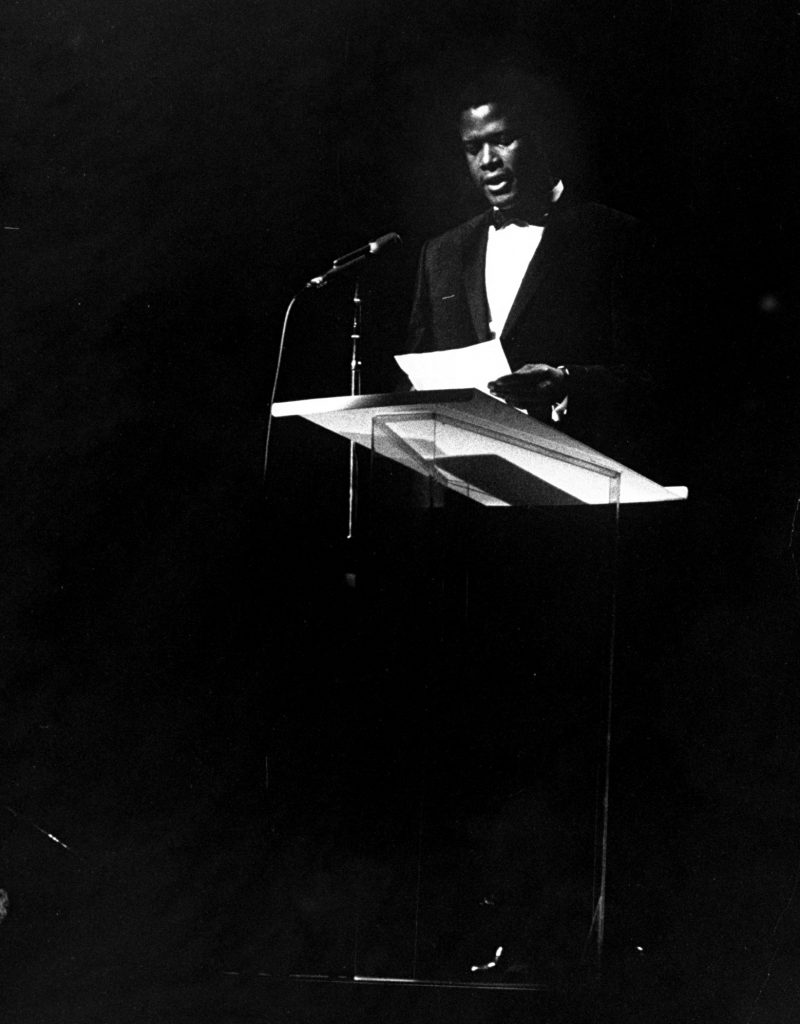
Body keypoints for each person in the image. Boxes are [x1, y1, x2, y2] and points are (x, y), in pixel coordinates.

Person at [405, 64, 666, 472]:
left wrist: (566, 381)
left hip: (579, 479)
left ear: (541, 136)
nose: (487, 161)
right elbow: (417, 378)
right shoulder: (441, 254)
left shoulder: (614, 236)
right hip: (465, 487)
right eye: (473, 149)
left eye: (503, 141)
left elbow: (655, 376)